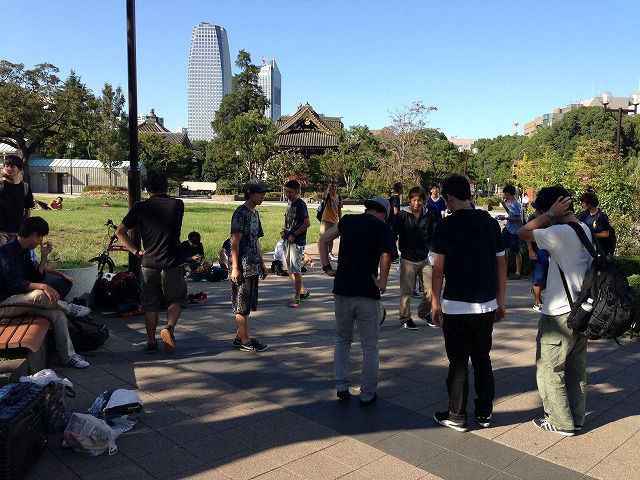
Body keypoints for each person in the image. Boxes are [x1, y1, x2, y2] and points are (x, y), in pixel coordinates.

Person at [431, 175, 506, 432]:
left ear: (450, 197)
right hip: (486, 304)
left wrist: (435, 303)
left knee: (459, 362)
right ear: (469, 196)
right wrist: (500, 301)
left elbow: (438, 271)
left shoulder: (445, 227)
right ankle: (484, 413)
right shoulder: (490, 224)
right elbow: (501, 264)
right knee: (482, 358)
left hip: (455, 305)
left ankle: (457, 415)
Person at [517, 186, 592, 436]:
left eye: (541, 210)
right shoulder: (584, 229)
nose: (540, 215)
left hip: (559, 313)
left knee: (550, 368)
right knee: (575, 368)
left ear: (554, 207)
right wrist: (550, 214)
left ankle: (560, 421)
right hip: (582, 311)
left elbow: (522, 232)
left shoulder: (559, 232)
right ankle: (576, 418)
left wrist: (549, 214)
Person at [319, 196, 398, 404]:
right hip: (367, 293)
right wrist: (383, 282)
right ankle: (367, 393)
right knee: (369, 346)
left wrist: (327, 267)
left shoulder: (348, 221)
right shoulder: (383, 228)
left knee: (342, 340)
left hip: (342, 289)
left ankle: (341, 386)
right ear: (384, 214)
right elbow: (386, 256)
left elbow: (323, 239)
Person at [0, 217, 91, 368]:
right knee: (40, 294)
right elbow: (15, 284)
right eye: (41, 236)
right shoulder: (5, 252)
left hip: (20, 302)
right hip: (4, 304)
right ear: (34, 234)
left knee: (57, 314)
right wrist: (43, 287)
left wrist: (44, 257)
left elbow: (36, 277)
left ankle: (69, 357)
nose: (41, 240)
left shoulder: (24, 251)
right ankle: (68, 307)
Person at [115, 169, 187, 355]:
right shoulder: (177, 204)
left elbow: (120, 231)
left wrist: (135, 251)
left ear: (146, 187)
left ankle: (152, 342)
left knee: (150, 304)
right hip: (172, 262)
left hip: (149, 262)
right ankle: (169, 328)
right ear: (165, 185)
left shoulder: (140, 207)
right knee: (176, 299)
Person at [230, 178, 269, 352]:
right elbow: (235, 241)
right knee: (242, 306)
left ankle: (239, 337)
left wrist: (262, 264)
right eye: (260, 193)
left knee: (247, 304)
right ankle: (245, 342)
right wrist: (235, 268)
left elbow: (256, 241)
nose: (263, 196)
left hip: (253, 265)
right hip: (243, 266)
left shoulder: (255, 214)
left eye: (264, 193)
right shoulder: (241, 213)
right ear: (250, 193)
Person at [393, 186, 437, 330]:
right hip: (408, 259)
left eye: (419, 200)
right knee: (406, 292)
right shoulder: (403, 215)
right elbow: (393, 233)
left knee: (431, 290)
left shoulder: (429, 215)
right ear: (410, 200)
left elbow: (431, 235)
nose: (416, 203)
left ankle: (424, 313)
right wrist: (393, 252)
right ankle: (405, 318)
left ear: (424, 201)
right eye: (414, 200)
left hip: (424, 258)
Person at [281, 179, 311, 308]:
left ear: (298, 191)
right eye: (286, 192)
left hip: (296, 242)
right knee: (288, 269)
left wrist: (294, 234)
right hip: (288, 240)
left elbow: (307, 223)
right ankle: (303, 291)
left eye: (290, 192)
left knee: (296, 270)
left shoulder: (300, 204)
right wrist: (284, 231)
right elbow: (290, 221)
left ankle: (297, 296)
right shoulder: (290, 204)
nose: (287, 194)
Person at [0, 155, 35, 245]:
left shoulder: (25, 187)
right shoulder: (1, 185)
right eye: (6, 166)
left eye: (12, 166)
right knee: (3, 252)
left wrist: (26, 227)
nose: (9, 169)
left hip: (18, 230)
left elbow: (27, 208)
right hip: (1, 229)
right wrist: (1, 175)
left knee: (16, 252)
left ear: (19, 169)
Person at [578, 191, 614, 255]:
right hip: (586, 249)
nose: (582, 205)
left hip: (598, 250)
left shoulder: (601, 217)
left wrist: (592, 235)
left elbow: (605, 234)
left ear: (589, 204)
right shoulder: (584, 215)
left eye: (583, 203)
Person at [500, 184, 524, 279]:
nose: (504, 196)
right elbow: (511, 214)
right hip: (508, 229)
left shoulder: (516, 204)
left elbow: (518, 218)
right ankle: (505, 269)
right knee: (503, 249)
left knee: (516, 251)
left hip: (514, 232)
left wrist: (506, 218)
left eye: (504, 194)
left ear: (508, 194)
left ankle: (518, 272)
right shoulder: (512, 203)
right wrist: (505, 207)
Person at [320, 182, 342, 261]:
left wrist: (340, 220)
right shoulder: (328, 195)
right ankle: (323, 253)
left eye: (335, 187)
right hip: (325, 219)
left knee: (331, 238)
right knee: (323, 237)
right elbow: (323, 197)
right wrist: (328, 188)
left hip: (334, 220)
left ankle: (330, 253)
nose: (334, 188)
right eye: (332, 186)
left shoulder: (339, 198)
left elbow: (339, 210)